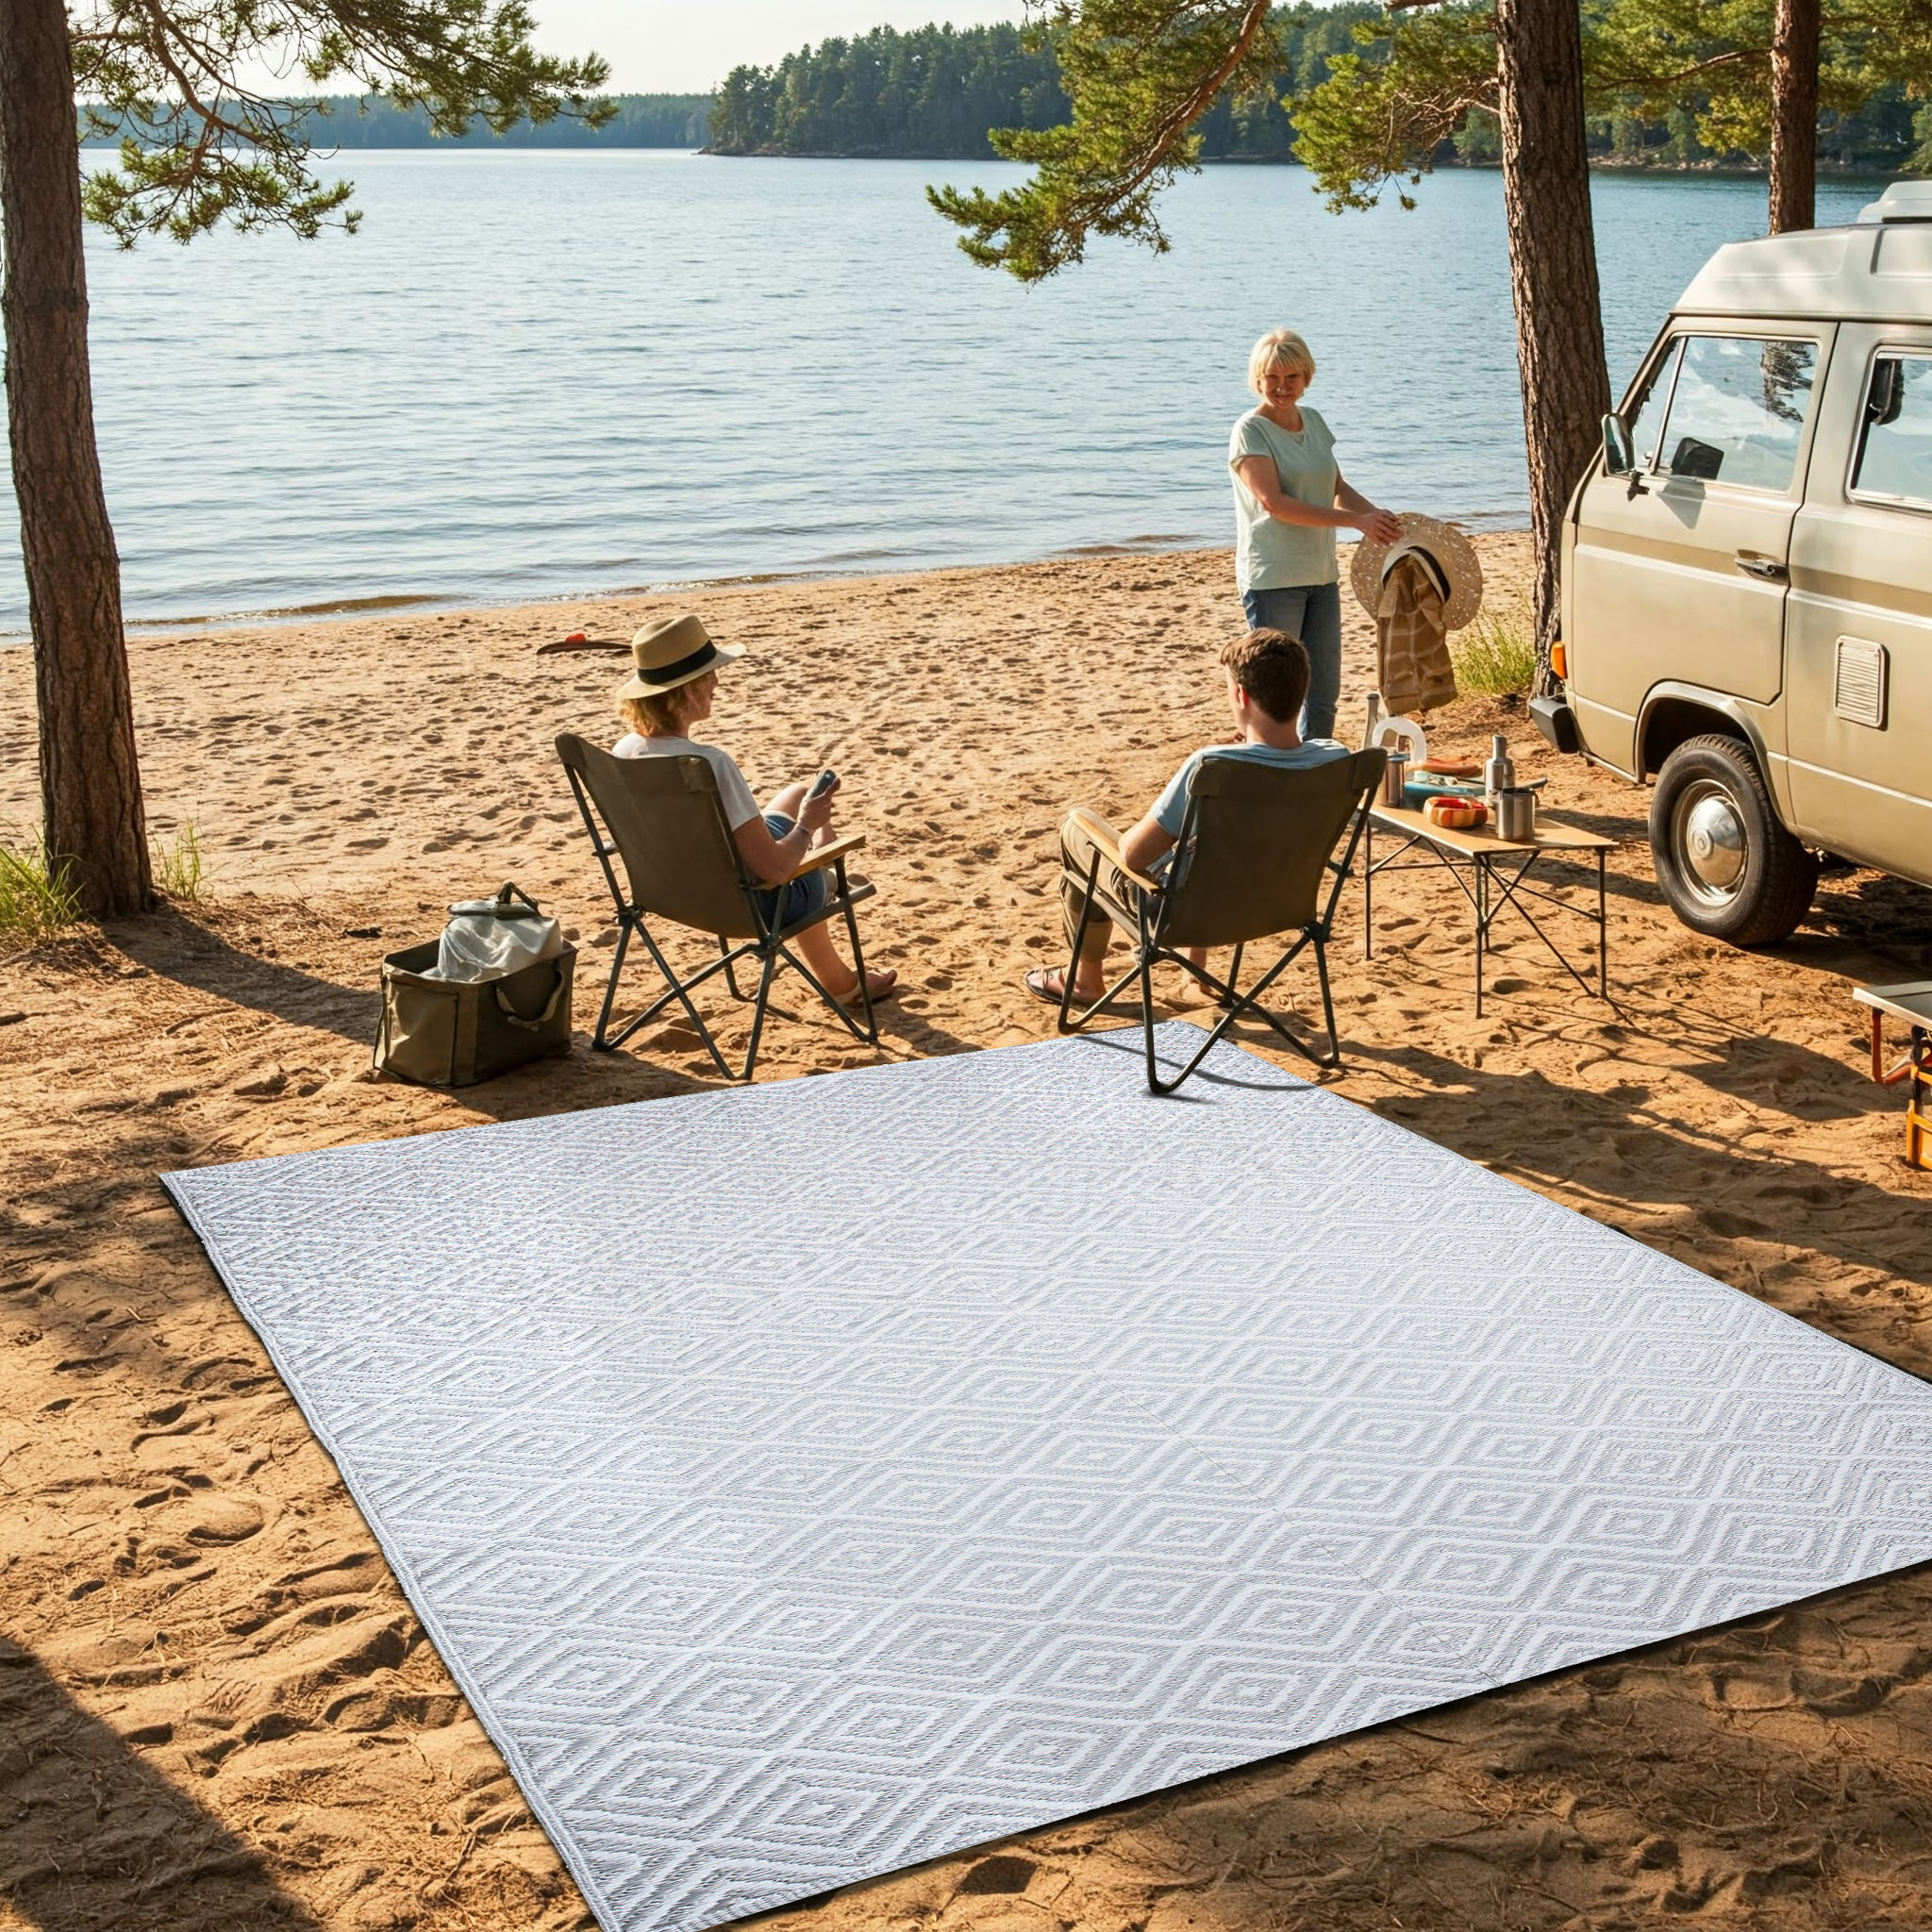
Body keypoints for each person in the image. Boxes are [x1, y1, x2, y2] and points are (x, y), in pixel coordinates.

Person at [1024, 629, 1350, 1008]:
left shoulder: (1210, 766)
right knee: (1210, 843)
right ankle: (1196, 977)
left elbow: (1134, 856)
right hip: (1281, 907)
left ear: (1241, 695)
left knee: (1079, 830)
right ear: (1302, 691)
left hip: (1181, 918)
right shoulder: (1335, 760)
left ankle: (1085, 981)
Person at [612, 612, 895, 1003]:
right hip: (747, 905)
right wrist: (807, 826)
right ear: (688, 691)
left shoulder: (625, 753)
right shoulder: (708, 765)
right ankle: (834, 936)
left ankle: (825, 865)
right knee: (806, 847)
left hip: (674, 893)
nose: (716, 681)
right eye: (709, 674)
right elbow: (776, 871)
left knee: (797, 793)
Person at [1229, 328, 1402, 743]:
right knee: (1277, 695)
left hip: (1321, 576)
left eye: (1291, 376)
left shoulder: (1316, 422)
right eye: (1271, 377)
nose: (1282, 386)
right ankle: (1276, 768)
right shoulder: (1250, 430)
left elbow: (1337, 487)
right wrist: (1355, 522)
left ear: (1306, 376)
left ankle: (1314, 768)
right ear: (1257, 379)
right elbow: (1274, 503)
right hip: (1273, 578)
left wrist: (1378, 520)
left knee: (1323, 694)